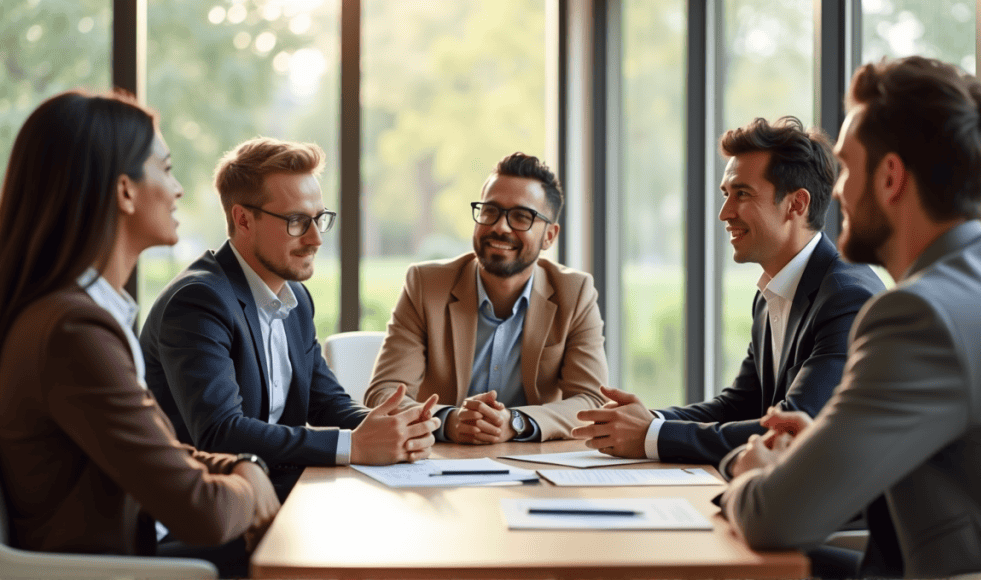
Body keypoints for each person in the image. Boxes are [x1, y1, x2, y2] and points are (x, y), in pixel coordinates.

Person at [722, 56, 981, 579]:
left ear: (890, 178)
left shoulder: (919, 315)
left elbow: (771, 519)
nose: (834, 192)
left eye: (844, 168)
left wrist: (751, 469)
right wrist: (820, 445)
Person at [0, 90, 277, 574]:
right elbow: (204, 514)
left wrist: (241, 465)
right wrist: (250, 486)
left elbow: (157, 450)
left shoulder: (74, 315)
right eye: (166, 170)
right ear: (125, 191)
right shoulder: (72, 331)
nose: (179, 190)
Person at [572, 117, 884, 468]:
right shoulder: (772, 291)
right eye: (726, 195)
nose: (724, 213)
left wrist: (650, 435)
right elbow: (740, 405)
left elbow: (793, 428)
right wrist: (643, 420)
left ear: (796, 205)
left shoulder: (847, 297)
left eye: (742, 194)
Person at [141, 137, 440, 498]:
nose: (315, 238)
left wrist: (398, 427)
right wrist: (354, 446)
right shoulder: (199, 301)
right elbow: (221, 433)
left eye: (319, 219)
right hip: (211, 507)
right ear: (243, 219)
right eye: (297, 221)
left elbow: (326, 402)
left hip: (278, 493)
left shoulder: (294, 296)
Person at [365, 152, 607, 444]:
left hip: (535, 464)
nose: (500, 227)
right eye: (490, 211)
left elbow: (591, 400)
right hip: (443, 463)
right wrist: (449, 420)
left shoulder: (575, 293)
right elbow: (384, 394)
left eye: (521, 216)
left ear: (549, 236)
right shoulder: (426, 286)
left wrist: (517, 422)